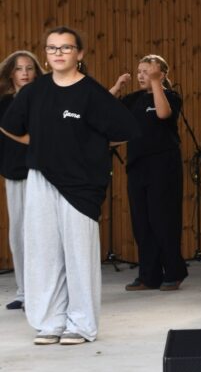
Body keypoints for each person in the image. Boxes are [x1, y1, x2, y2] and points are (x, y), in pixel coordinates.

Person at [0, 27, 138, 345]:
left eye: (65, 48)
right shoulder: (35, 92)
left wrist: (89, 147)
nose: (59, 53)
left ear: (79, 53)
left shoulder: (92, 92)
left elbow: (126, 128)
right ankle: (51, 321)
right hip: (41, 180)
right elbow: (9, 126)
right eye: (52, 48)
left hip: (81, 185)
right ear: (46, 56)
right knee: (44, 253)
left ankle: (81, 323)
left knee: (78, 256)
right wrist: (39, 144)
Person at [109, 55, 188, 292]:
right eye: (140, 71)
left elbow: (163, 114)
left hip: (164, 166)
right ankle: (149, 275)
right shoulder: (132, 99)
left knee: (163, 219)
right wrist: (117, 87)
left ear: (162, 74)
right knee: (142, 222)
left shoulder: (170, 96)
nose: (142, 75)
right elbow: (102, 107)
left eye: (149, 71)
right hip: (137, 165)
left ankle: (174, 272)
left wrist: (156, 84)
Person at [0, 50, 43, 311]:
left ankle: (41, 293)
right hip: (13, 175)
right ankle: (24, 292)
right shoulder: (3, 103)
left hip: (40, 174)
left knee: (40, 234)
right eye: (19, 68)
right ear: (11, 73)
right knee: (18, 235)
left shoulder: (43, 99)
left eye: (29, 68)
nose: (25, 73)